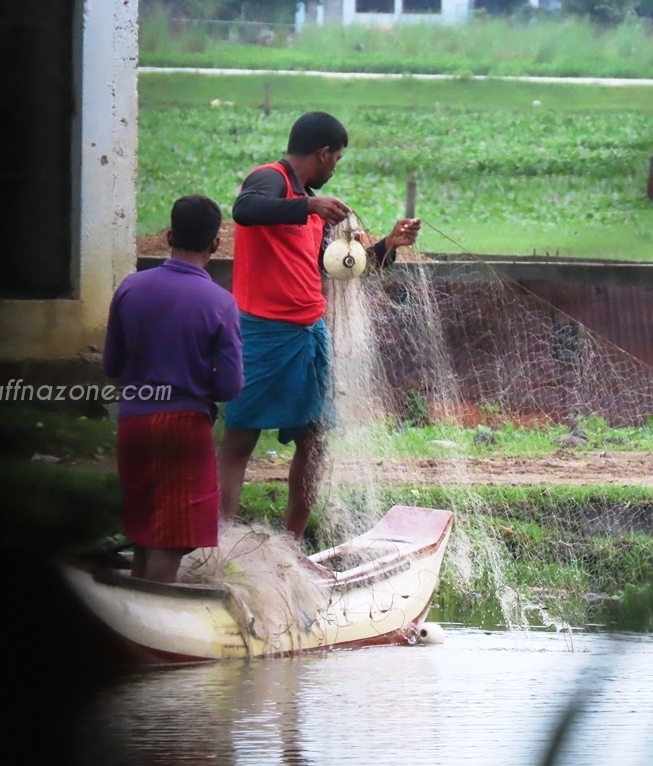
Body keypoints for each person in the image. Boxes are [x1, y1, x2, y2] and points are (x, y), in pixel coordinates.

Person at [218, 110, 420, 539]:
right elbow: (244, 210)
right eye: (338, 159)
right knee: (240, 440)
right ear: (324, 153)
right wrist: (308, 204)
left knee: (315, 440)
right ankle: (215, 538)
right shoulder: (271, 179)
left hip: (309, 333)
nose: (336, 167)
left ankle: (290, 544)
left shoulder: (312, 209)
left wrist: (389, 244)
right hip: (261, 332)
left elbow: (342, 267)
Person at [103, 194, 244, 582]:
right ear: (216, 244)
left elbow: (111, 366)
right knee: (171, 539)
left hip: (132, 423)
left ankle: (133, 613)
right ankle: (152, 620)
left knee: (145, 531)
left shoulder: (130, 288)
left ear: (168, 236)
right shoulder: (220, 302)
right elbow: (230, 386)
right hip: (182, 428)